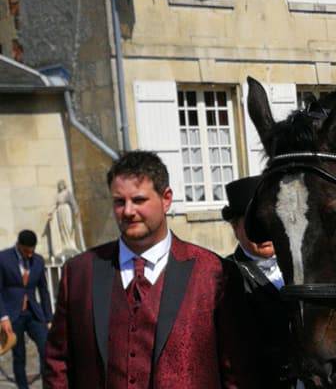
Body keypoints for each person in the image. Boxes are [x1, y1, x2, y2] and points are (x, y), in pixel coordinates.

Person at [44, 150, 257, 388]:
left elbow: (237, 371)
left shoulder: (215, 272)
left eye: (138, 200)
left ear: (166, 199)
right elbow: (58, 364)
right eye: (119, 201)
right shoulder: (80, 273)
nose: (127, 211)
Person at [222, 176, 296, 389]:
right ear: (235, 228)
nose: (263, 233)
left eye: (269, 221)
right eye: (252, 225)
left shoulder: (304, 266)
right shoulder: (226, 275)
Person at [0, 230, 52, 389]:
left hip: (34, 314)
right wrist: (3, 317)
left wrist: (48, 318)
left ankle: (49, 385)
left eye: (32, 251)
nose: (30, 255)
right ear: (19, 246)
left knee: (47, 349)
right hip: (12, 316)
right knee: (19, 355)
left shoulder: (38, 261)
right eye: (27, 251)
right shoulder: (3, 258)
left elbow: (43, 290)